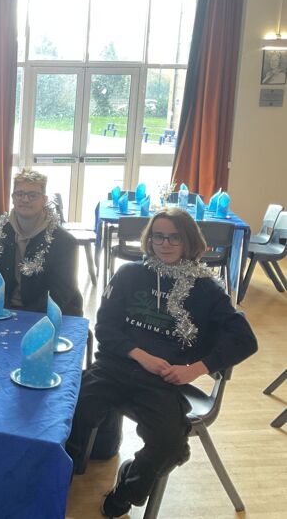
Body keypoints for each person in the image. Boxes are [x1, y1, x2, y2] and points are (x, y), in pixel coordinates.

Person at [65, 208, 257, 518]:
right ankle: (65, 473)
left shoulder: (206, 289)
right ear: (149, 239)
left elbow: (245, 339)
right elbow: (106, 328)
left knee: (169, 445)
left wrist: (194, 369)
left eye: (174, 237)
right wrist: (142, 356)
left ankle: (127, 487)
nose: (165, 244)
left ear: (189, 240)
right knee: (69, 409)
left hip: (162, 381)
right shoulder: (130, 274)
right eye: (158, 237)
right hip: (115, 367)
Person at [0, 169, 83, 316]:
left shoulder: (64, 242)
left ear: (44, 200)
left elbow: (61, 294)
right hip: (4, 310)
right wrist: (3, 313)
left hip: (49, 314)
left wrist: (24, 318)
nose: (25, 199)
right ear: (13, 198)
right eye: (19, 194)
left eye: (33, 195)